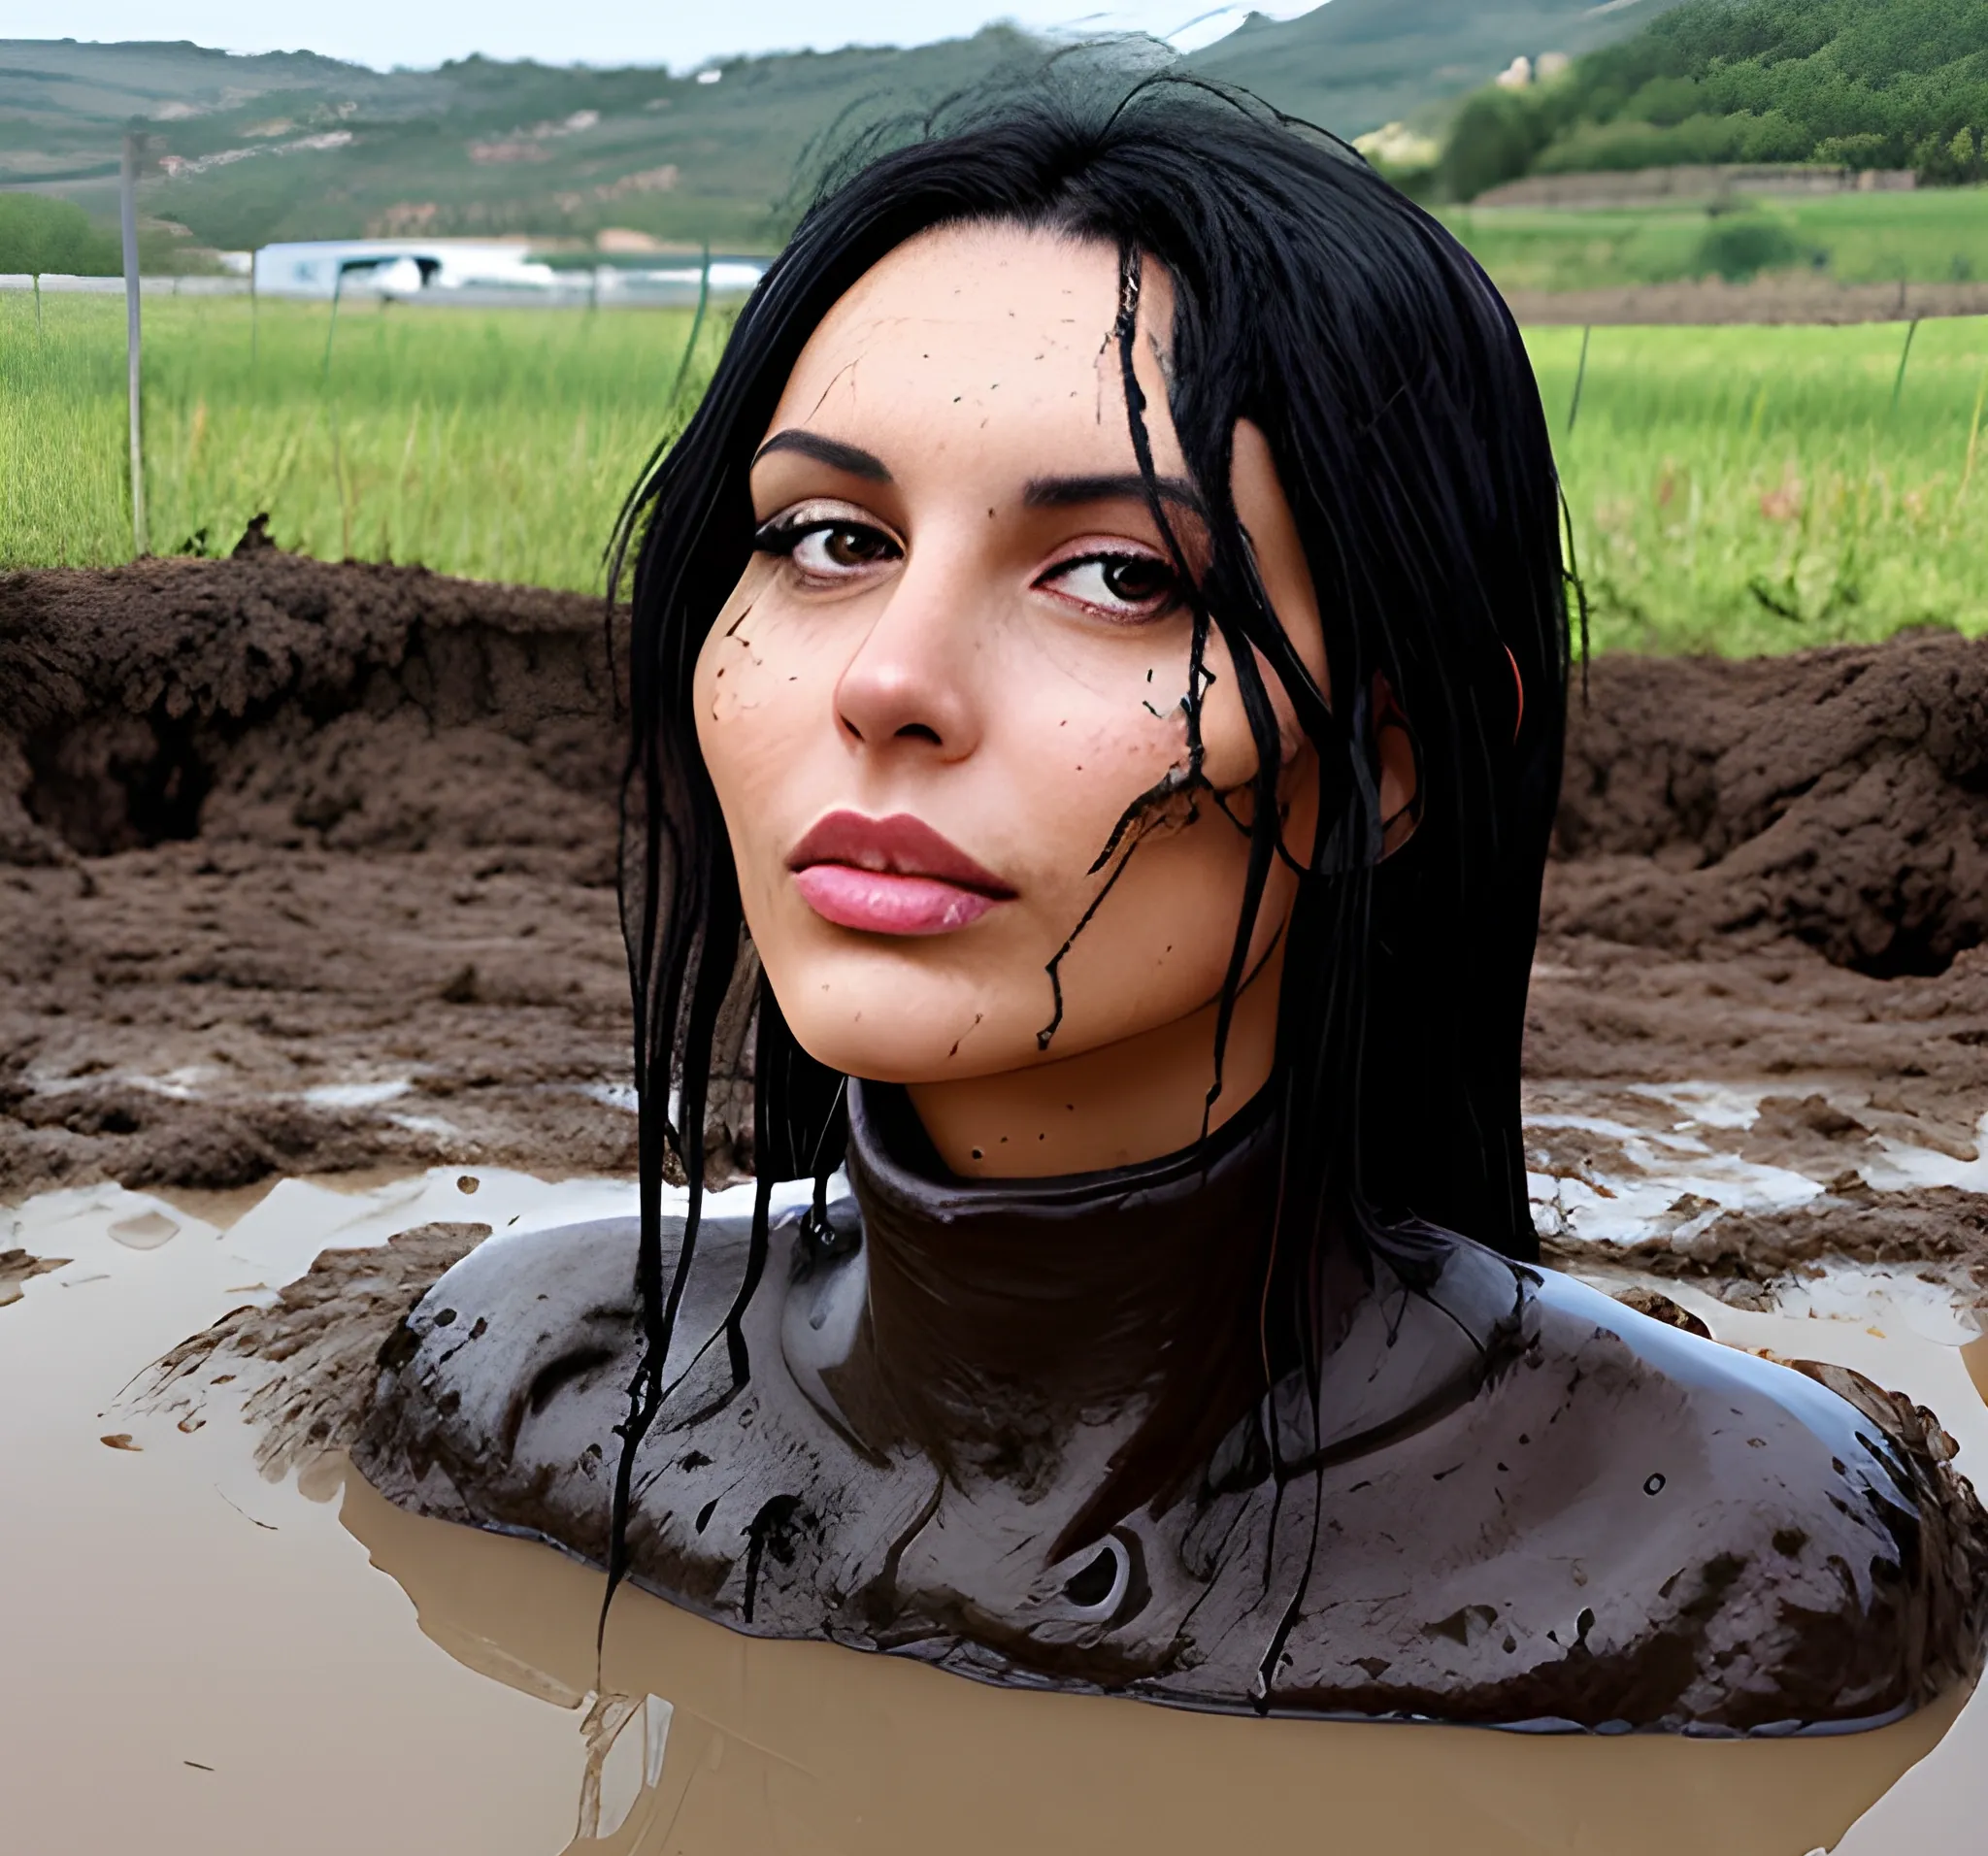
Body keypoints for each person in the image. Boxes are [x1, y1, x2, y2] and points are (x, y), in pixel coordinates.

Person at [356, 76, 1987, 1732]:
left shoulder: (1717, 1557)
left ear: (1392, 756)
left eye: (1121, 577)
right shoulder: (529, 1383)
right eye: (829, 538)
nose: (890, 681)